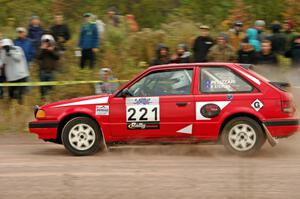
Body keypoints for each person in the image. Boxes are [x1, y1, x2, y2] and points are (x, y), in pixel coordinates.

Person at [0, 39, 29, 104]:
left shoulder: (18, 48)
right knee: (11, 95)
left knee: (20, 95)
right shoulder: (3, 52)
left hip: (20, 75)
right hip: (11, 77)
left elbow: (18, 58)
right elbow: (3, 62)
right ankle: (11, 108)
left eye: (7, 46)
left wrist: (10, 52)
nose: (6, 47)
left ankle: (21, 108)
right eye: (5, 46)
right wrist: (5, 52)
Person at [36, 34, 60, 99]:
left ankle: (50, 99)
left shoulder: (55, 48)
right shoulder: (41, 48)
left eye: (48, 41)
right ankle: (42, 99)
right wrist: (42, 49)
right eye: (45, 41)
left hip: (52, 71)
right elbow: (37, 57)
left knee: (51, 87)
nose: (47, 43)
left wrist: (52, 51)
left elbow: (57, 57)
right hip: (43, 70)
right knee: (42, 88)